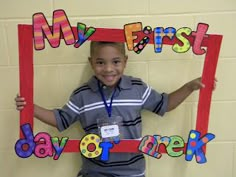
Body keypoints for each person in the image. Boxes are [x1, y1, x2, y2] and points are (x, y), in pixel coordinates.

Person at [15, 41, 216, 177]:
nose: (109, 69)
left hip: (132, 170)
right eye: (100, 62)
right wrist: (30, 108)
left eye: (116, 62)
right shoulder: (82, 94)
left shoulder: (137, 88)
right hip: (95, 171)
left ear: (125, 62)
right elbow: (61, 119)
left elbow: (165, 104)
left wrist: (190, 87)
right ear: (91, 63)